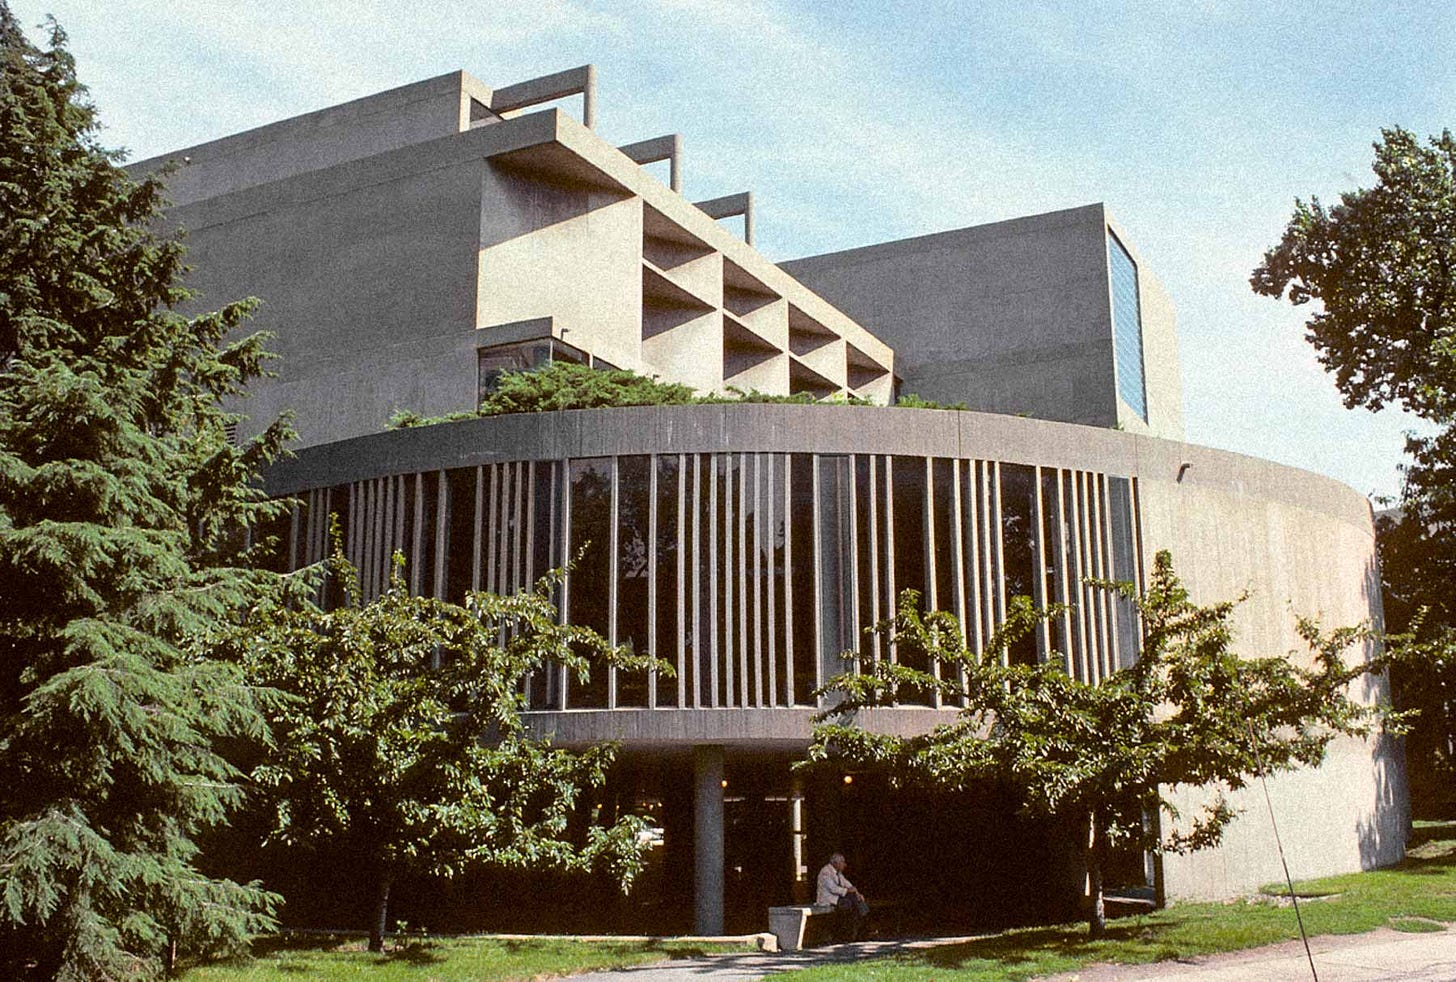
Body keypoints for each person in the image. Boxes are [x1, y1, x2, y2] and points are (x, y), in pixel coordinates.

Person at [815, 852, 869, 940]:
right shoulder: (825, 872)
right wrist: (848, 891)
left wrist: (857, 893)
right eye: (843, 862)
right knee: (850, 903)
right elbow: (833, 888)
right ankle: (859, 927)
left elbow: (847, 884)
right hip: (828, 900)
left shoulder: (838, 873)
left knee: (854, 900)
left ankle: (859, 927)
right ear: (835, 863)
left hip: (837, 899)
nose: (845, 865)